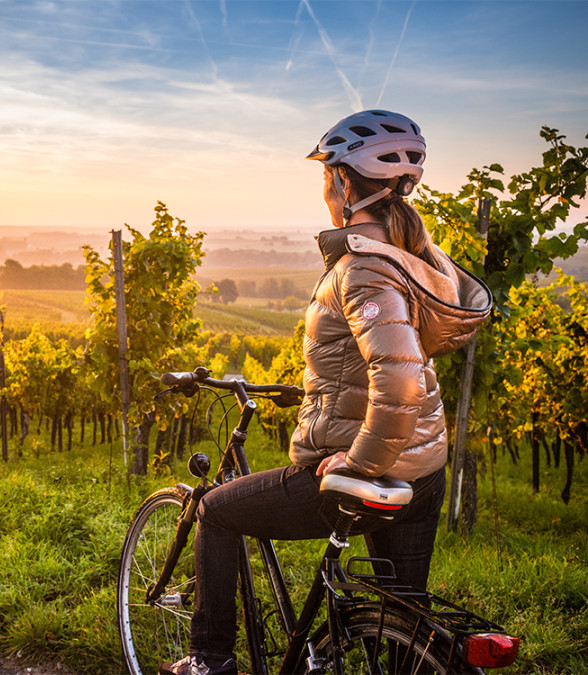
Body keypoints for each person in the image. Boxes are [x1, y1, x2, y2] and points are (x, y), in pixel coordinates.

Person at [159, 110, 492, 675]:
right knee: (401, 628)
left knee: (214, 510)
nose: (324, 189)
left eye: (326, 177)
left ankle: (207, 661)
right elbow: (395, 358)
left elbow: (399, 377)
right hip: (425, 467)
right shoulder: (417, 258)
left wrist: (361, 462)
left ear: (342, 183)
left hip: (372, 470)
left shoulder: (363, 269)